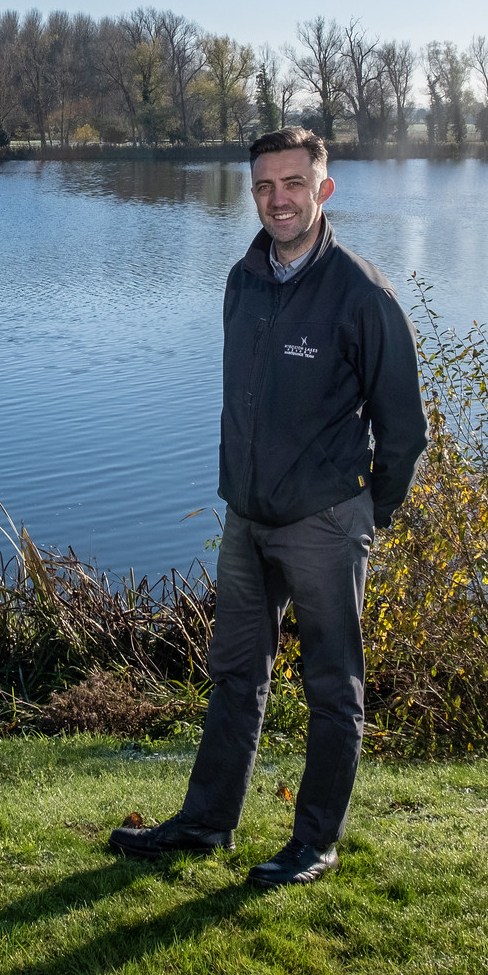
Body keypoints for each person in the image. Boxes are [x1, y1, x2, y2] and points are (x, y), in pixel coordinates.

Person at [110, 127, 426, 888]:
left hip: (325, 522)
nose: (278, 199)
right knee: (234, 675)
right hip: (247, 520)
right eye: (263, 185)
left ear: (324, 188)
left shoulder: (361, 292)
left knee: (331, 686)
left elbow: (405, 430)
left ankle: (315, 841)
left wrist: (361, 516)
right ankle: (207, 821)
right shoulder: (243, 279)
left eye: (293, 183)